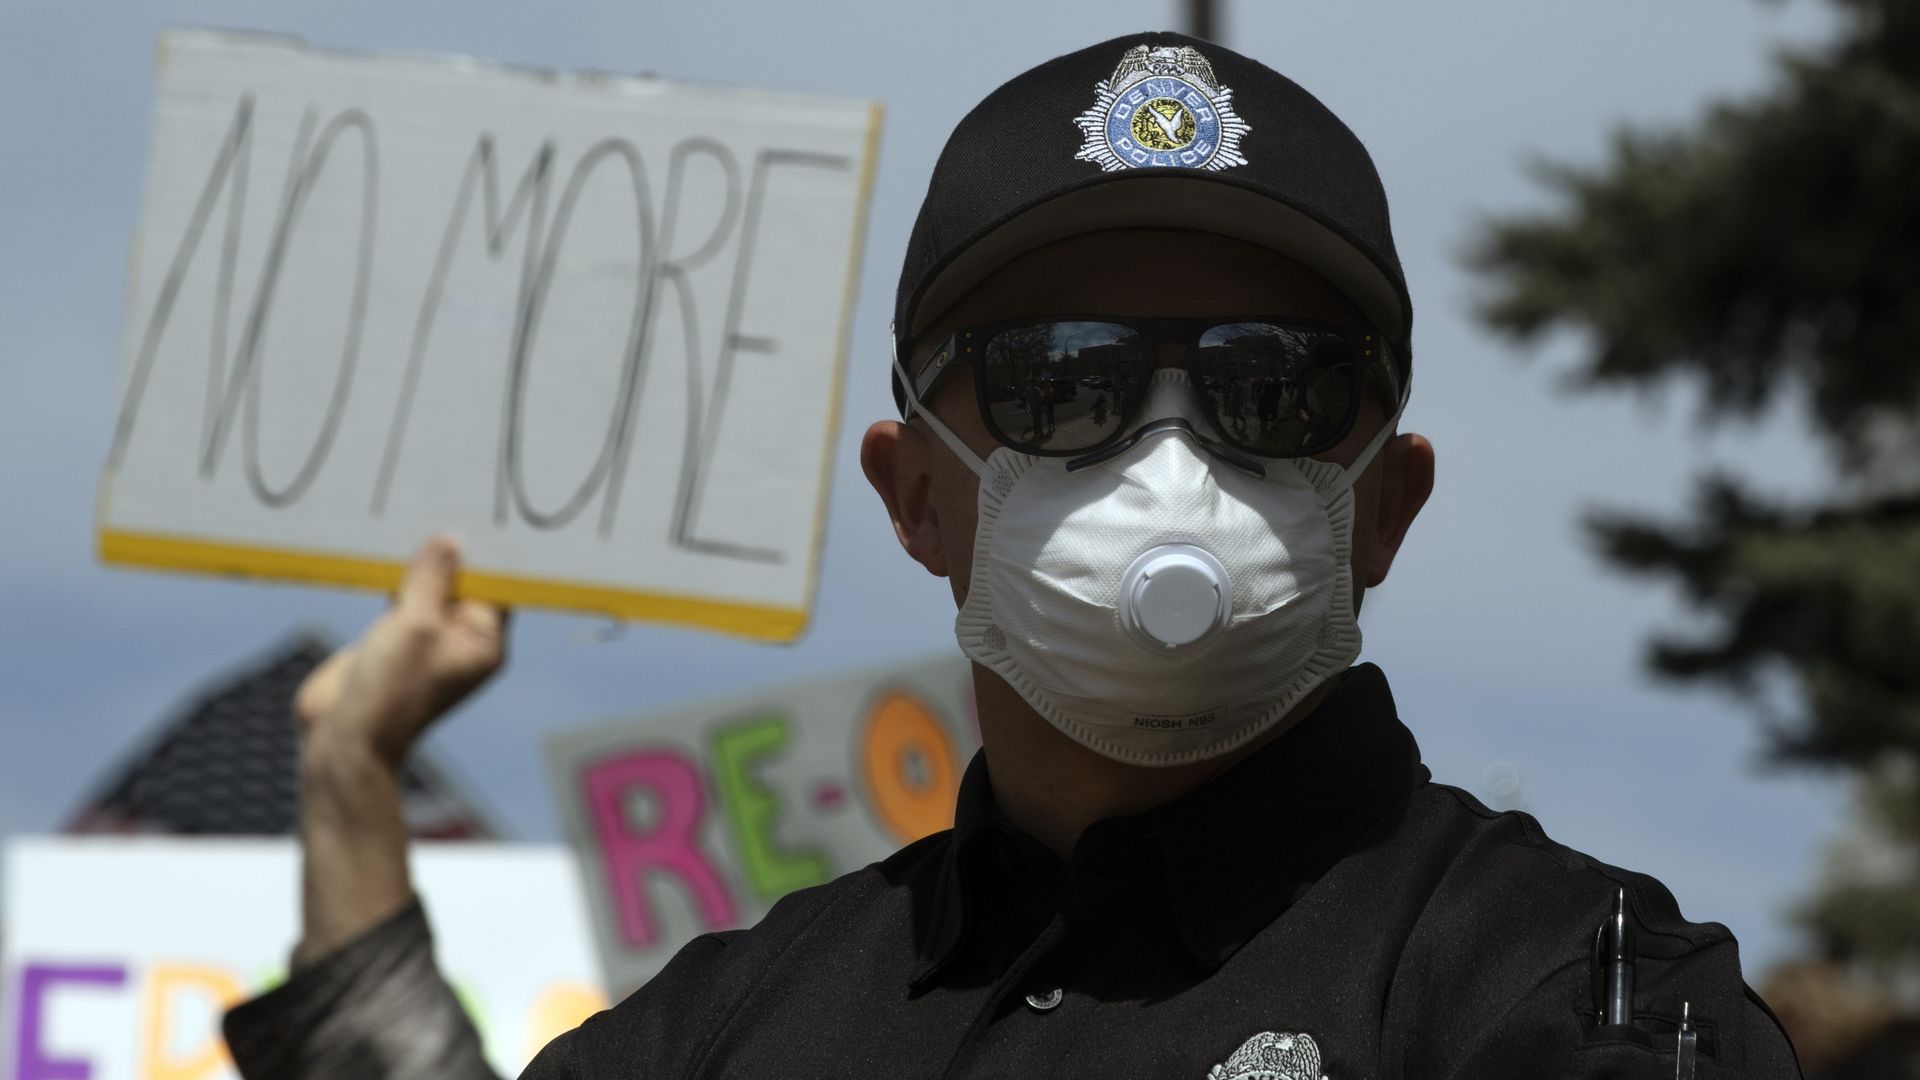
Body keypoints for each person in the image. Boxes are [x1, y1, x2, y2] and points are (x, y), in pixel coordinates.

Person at [223, 31, 1804, 1079]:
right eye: (1064, 382)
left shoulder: (1566, 994)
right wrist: (350, 779)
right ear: (917, 495)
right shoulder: (731, 1028)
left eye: (1275, 384)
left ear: (1383, 506)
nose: (1172, 461)